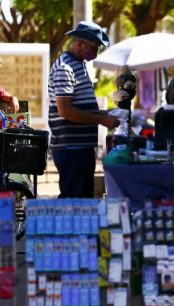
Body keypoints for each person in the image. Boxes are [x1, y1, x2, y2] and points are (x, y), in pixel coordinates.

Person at [48, 21, 120, 198]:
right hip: (71, 148)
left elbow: (82, 106)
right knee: (74, 201)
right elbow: (66, 111)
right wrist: (102, 120)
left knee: (83, 201)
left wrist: (108, 113)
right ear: (79, 43)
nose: (95, 53)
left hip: (82, 147)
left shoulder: (79, 65)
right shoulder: (65, 68)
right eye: (93, 48)